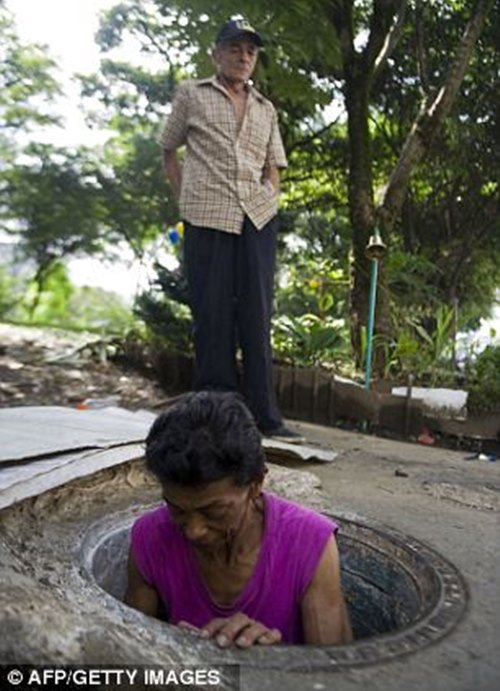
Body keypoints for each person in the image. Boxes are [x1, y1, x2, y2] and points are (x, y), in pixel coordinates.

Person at [160, 17, 303, 443]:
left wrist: (269, 198)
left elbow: (274, 165)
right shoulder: (192, 93)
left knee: (257, 315)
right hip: (207, 217)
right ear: (216, 53)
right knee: (212, 313)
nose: (243, 57)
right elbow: (169, 150)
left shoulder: (266, 108)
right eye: (235, 48)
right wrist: (187, 197)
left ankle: (267, 417)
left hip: (256, 218)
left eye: (250, 51)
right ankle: (216, 418)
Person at [124, 391, 352, 647]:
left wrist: (273, 660)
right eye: (177, 509)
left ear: (255, 484)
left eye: (215, 512)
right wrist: (176, 652)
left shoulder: (310, 543)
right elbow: (130, 656)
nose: (194, 531)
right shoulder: (150, 537)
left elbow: (334, 670)